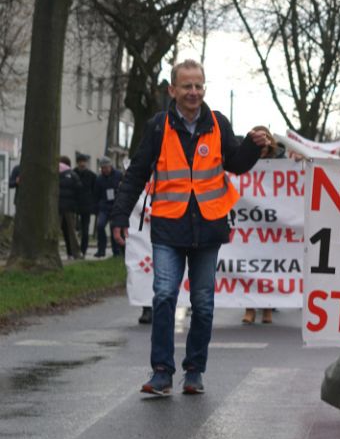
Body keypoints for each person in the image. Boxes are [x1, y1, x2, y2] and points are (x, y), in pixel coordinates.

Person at [111, 59, 269, 397]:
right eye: (187, 86)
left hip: (209, 227)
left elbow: (236, 164)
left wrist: (254, 147)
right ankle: (162, 372)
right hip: (168, 226)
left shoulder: (217, 123)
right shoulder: (157, 127)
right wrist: (120, 215)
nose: (193, 92)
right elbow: (137, 172)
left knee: (203, 302)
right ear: (173, 90)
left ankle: (194, 371)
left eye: (198, 85)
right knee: (165, 295)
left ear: (204, 88)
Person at [242, 125, 283, 325]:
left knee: (269, 266)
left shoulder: (281, 162)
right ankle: (249, 307)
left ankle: (267, 307)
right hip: (249, 224)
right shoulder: (243, 160)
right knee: (250, 265)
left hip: (273, 225)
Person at [94, 157, 122, 258]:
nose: (105, 170)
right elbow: (96, 194)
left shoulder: (119, 175)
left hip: (116, 206)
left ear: (110, 166)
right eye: (103, 168)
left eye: (106, 167)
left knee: (114, 228)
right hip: (104, 206)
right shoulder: (99, 179)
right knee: (100, 226)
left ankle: (116, 251)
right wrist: (97, 207)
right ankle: (101, 249)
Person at [58, 155, 83, 259]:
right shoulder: (73, 175)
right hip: (70, 207)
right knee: (72, 231)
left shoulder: (54, 174)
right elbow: (79, 189)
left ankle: (52, 252)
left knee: (54, 230)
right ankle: (76, 253)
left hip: (57, 207)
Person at [74, 154, 97, 257]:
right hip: (74, 205)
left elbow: (95, 191)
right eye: (80, 161)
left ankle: (83, 250)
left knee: (85, 229)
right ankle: (74, 250)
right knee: (73, 229)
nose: (82, 164)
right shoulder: (73, 173)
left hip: (86, 206)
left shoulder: (91, 175)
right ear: (77, 162)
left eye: (84, 161)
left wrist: (94, 205)